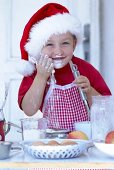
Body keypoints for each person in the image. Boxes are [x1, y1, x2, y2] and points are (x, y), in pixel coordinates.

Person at [18, 3, 111, 131]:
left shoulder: (86, 69)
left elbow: (106, 108)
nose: (58, 51)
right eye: (49, 44)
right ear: (39, 48)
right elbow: (29, 110)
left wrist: (89, 91)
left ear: (74, 44)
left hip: (83, 139)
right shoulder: (35, 72)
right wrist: (41, 77)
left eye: (65, 43)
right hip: (49, 141)